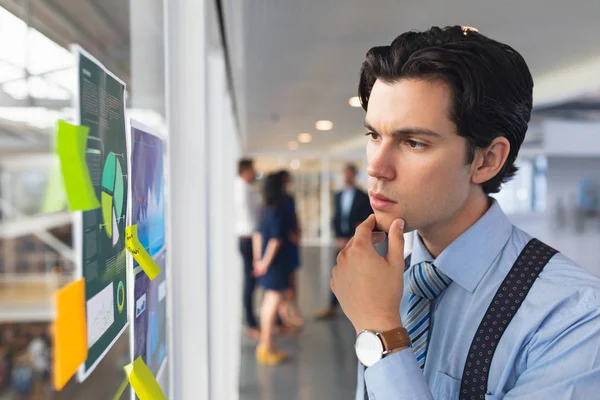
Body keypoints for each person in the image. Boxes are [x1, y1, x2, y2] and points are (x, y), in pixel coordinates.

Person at [329, 26, 600, 399]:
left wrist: (379, 330)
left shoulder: (575, 319)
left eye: (413, 142)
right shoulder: (386, 284)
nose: (376, 166)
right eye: (374, 135)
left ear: (487, 160)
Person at [314, 163, 373, 320]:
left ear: (354, 176)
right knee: (338, 273)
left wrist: (353, 237)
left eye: (349, 174)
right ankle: (332, 306)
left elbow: (367, 219)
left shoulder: (363, 197)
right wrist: (339, 237)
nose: (346, 177)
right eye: (344, 174)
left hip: (356, 241)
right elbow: (336, 218)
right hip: (340, 240)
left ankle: (359, 308)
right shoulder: (338, 195)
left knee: (358, 273)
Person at [253, 173, 294, 365]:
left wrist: (258, 261)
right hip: (275, 263)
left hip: (267, 261)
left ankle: (267, 344)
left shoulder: (264, 208)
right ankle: (265, 347)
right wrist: (266, 263)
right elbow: (275, 240)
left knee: (268, 303)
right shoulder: (278, 209)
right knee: (271, 304)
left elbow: (258, 235)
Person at [234, 159, 262, 340]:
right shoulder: (241, 189)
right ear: (245, 170)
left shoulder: (244, 188)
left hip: (248, 238)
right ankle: (250, 321)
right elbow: (252, 216)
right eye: (252, 169)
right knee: (250, 281)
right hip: (247, 239)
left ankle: (251, 319)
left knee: (251, 280)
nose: (254, 173)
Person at [277, 170, 304, 327]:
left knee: (293, 278)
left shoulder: (289, 199)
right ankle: (284, 313)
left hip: (291, 244)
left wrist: (297, 233)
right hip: (284, 244)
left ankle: (293, 310)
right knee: (284, 280)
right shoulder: (277, 201)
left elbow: (295, 218)